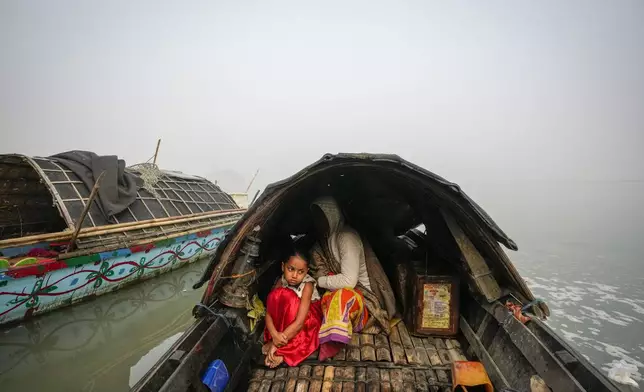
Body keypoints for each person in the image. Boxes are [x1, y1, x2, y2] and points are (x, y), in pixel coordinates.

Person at [309, 197, 397, 361]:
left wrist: (318, 281)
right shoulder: (323, 242)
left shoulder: (346, 237)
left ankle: (333, 342)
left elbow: (349, 282)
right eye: (315, 218)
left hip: (366, 302)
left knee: (342, 297)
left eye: (322, 217)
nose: (318, 223)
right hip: (338, 292)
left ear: (332, 216)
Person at [263, 250, 322, 368]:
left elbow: (300, 322)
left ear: (306, 272)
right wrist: (274, 335)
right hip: (289, 321)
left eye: (301, 272)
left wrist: (277, 345)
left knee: (288, 297)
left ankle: (283, 350)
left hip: (307, 320)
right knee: (277, 295)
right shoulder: (281, 281)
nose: (295, 276)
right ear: (283, 266)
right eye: (291, 269)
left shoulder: (307, 285)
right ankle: (279, 339)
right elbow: (269, 312)